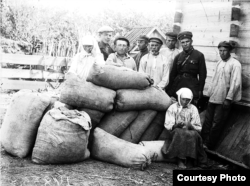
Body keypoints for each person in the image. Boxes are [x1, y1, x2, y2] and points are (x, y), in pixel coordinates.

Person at [201, 41, 242, 150]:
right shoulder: (219, 63)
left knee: (216, 123)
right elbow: (214, 80)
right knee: (208, 121)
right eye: (220, 51)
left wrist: (228, 98)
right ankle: (201, 142)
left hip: (223, 99)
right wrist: (209, 94)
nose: (222, 53)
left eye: (224, 51)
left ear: (229, 51)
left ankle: (208, 145)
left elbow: (236, 83)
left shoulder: (235, 64)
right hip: (213, 97)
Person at [162, 88, 207, 169]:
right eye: (183, 99)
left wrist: (190, 126)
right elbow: (168, 125)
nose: (185, 102)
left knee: (194, 135)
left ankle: (190, 159)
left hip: (190, 131)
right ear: (179, 98)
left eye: (188, 100)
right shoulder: (172, 108)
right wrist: (177, 125)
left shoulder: (193, 108)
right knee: (181, 133)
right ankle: (181, 160)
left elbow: (198, 128)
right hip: (175, 131)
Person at [166, 31, 207, 106]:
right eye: (183, 42)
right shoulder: (178, 57)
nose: (185, 44)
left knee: (190, 106)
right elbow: (173, 74)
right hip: (179, 84)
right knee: (177, 105)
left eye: (187, 41)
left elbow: (202, 75)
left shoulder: (199, 55)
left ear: (191, 41)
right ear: (180, 43)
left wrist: (200, 89)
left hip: (192, 85)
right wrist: (170, 90)